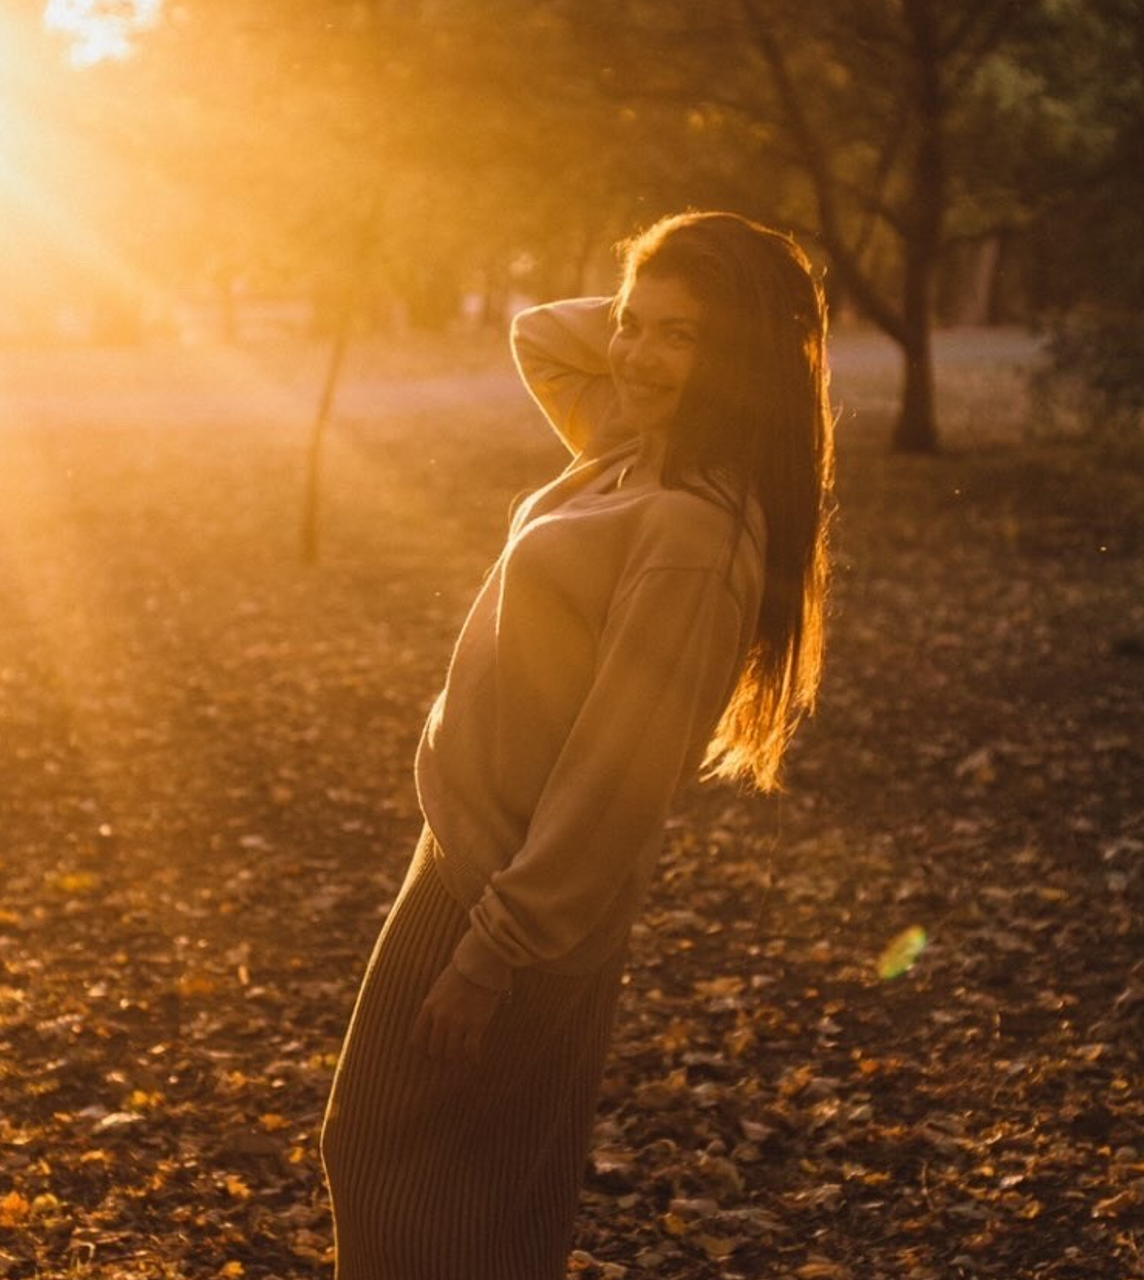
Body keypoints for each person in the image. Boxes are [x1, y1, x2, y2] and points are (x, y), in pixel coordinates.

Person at [320, 210, 835, 1279]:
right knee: (471, 1188)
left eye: (680, 335)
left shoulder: (693, 532)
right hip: (473, 857)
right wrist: (658, 304)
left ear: (737, 349)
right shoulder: (633, 448)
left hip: (510, 892)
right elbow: (539, 332)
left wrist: (490, 953)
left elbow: (617, 779)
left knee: (399, 1168)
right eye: (633, 326)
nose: (636, 355)